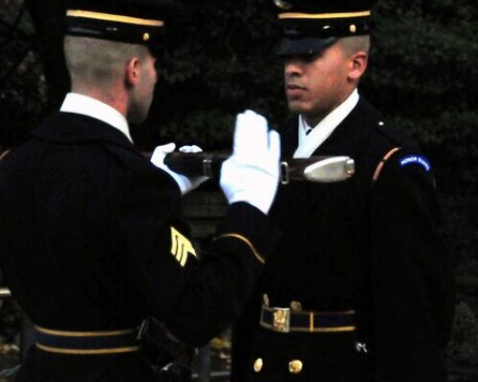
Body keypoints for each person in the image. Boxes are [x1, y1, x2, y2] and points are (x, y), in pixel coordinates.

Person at [0, 1, 282, 381]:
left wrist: (161, 189)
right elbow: (198, 313)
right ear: (134, 71)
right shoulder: (133, 182)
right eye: (153, 65)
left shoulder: (15, 165)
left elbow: (87, 221)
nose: (154, 76)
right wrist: (248, 207)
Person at [231, 0, 455, 381]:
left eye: (310, 56)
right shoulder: (271, 147)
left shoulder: (386, 159)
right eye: (288, 57)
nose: (292, 69)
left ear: (357, 65)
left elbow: (413, 315)